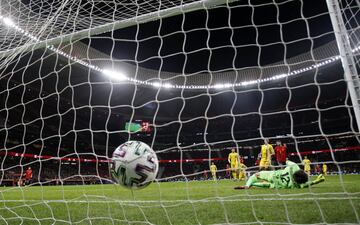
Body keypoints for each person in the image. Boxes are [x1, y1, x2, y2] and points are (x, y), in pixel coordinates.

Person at [234, 160, 325, 189]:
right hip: (278, 185)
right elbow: (306, 184)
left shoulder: (295, 167)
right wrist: (317, 181)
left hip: (273, 175)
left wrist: (285, 168)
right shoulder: (295, 185)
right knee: (267, 185)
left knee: (255, 176)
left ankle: (248, 185)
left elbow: (286, 161)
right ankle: (251, 185)